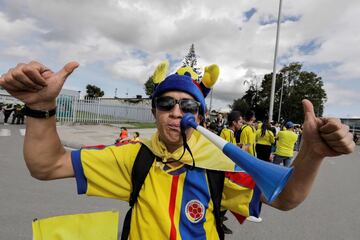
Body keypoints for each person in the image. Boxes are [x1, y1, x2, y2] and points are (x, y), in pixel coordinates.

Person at [0, 61, 355, 239]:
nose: (176, 112)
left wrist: (313, 154)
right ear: (154, 111)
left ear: (199, 114)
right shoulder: (132, 156)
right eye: (166, 103)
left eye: (187, 106)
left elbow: (286, 196)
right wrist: (40, 108)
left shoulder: (220, 162)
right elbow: (46, 165)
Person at [218, 110, 244, 234]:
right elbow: (224, 150)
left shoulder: (231, 133)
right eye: (240, 122)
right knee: (226, 197)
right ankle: (218, 222)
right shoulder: (226, 132)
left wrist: (237, 146)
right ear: (233, 122)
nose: (241, 124)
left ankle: (220, 218)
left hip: (228, 168)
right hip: (225, 169)